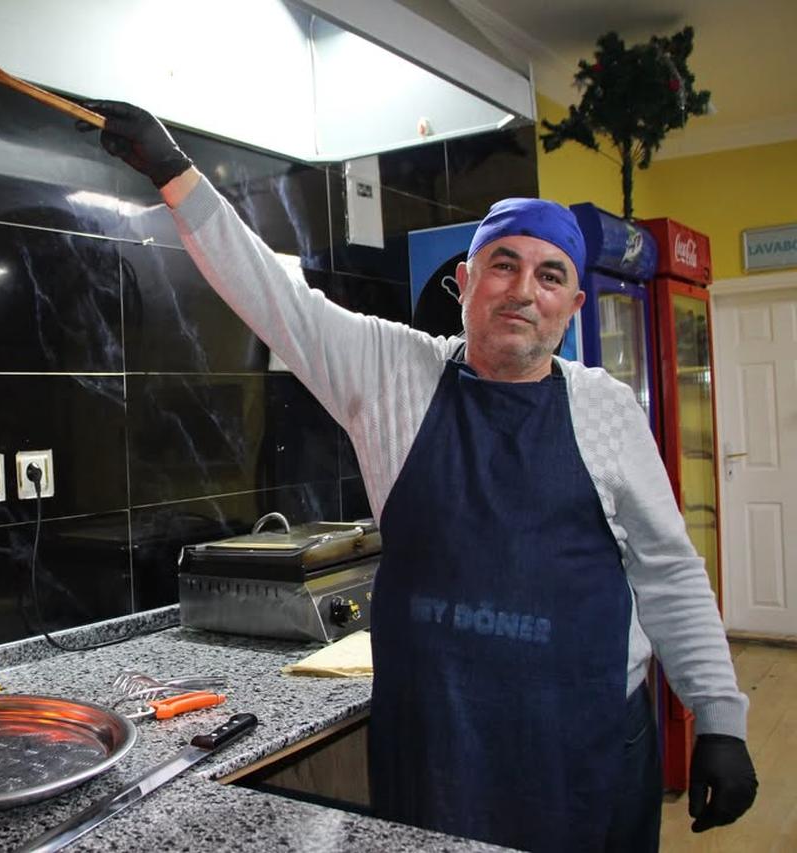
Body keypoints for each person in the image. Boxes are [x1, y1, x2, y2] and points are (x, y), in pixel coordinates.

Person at [79, 101, 758, 852]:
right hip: (440, 750)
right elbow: (276, 302)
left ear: (572, 301)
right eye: (504, 264)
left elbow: (669, 573)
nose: (523, 289)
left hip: (584, 745)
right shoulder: (393, 371)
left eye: (549, 274)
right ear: (465, 281)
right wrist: (174, 171)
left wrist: (719, 718)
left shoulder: (607, 410)